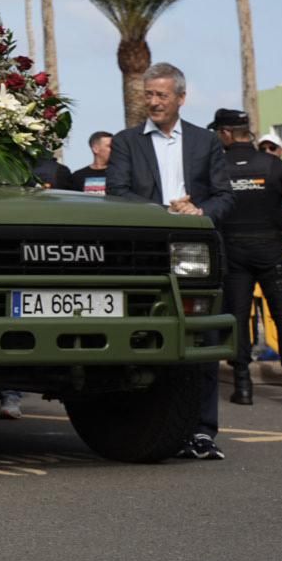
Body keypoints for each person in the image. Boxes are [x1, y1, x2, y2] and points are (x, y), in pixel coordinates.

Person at [106, 62, 233, 460]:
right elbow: (117, 192)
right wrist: (161, 212)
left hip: (194, 253)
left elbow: (225, 196)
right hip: (145, 254)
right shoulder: (127, 141)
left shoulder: (204, 141)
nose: (154, 102)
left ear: (181, 97)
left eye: (161, 95)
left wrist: (198, 211)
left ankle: (203, 431)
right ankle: (148, 425)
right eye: (149, 95)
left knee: (203, 338)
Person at [208, 108, 282, 407]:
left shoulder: (218, 167)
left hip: (233, 250)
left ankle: (243, 387)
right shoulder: (274, 165)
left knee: (238, 316)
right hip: (271, 248)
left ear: (227, 133)